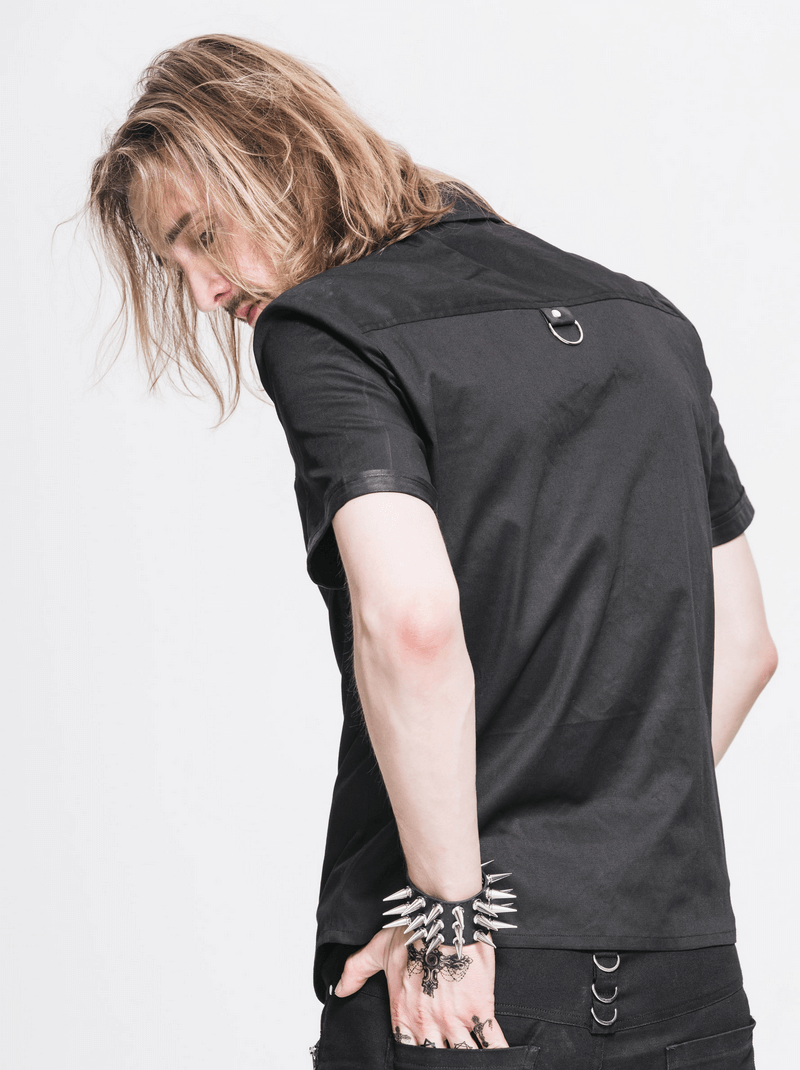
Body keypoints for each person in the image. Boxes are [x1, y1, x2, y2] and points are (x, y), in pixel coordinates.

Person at [87, 33, 777, 1069]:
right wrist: (589, 845)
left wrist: (451, 915)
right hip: (686, 970)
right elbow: (746, 648)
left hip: (463, 985)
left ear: (280, 157)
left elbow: (408, 620)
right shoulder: (645, 320)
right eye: (170, 260)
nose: (201, 292)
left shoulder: (325, 328)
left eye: (202, 235)